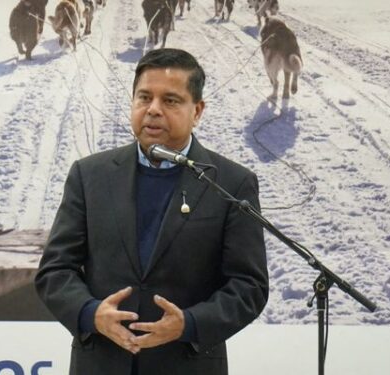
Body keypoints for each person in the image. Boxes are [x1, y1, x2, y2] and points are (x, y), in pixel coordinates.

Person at [35, 48, 268, 375]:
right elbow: (55, 271)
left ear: (197, 111)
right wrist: (91, 314)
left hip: (187, 364)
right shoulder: (90, 175)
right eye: (144, 97)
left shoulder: (230, 182)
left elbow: (249, 287)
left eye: (170, 101)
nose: (153, 110)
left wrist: (188, 324)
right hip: (101, 363)